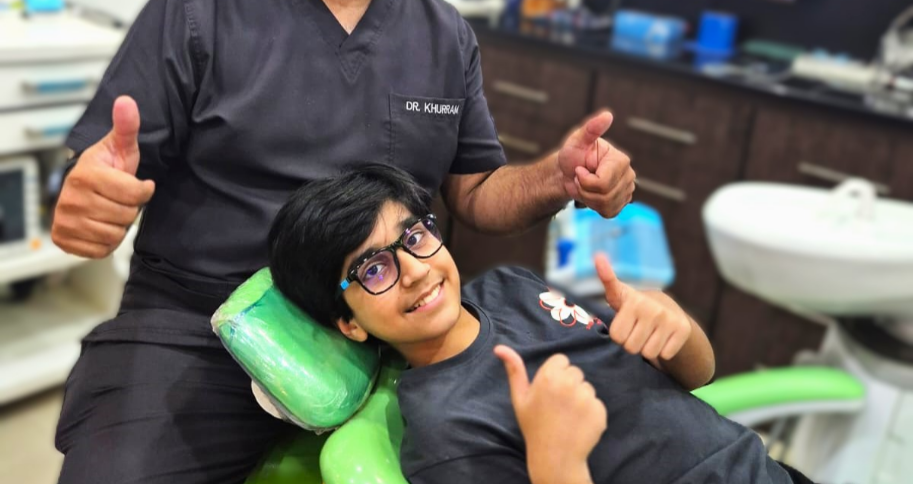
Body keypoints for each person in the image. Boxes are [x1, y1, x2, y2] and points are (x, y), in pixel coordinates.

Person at [51, 0, 635, 484]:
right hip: (204, 329)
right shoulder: (203, 1)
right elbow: (93, 170)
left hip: (393, 331)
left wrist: (557, 177)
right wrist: (81, 195)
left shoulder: (443, 33)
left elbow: (476, 193)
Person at [269, 164, 818, 484]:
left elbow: (697, 375)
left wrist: (676, 329)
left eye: (413, 236)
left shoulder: (509, 286)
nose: (415, 270)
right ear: (349, 324)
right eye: (373, 269)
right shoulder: (444, 434)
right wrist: (558, 459)